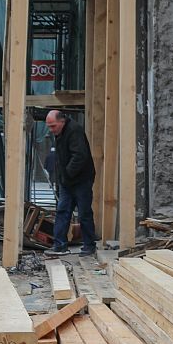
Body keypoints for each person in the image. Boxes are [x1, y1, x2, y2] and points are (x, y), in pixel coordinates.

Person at [44, 110, 97, 257]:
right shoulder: (60, 133)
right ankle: (59, 245)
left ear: (62, 121)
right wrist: (63, 177)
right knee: (62, 211)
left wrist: (66, 174)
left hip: (81, 180)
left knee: (84, 213)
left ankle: (89, 245)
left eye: (53, 126)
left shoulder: (74, 131)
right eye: (49, 126)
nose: (51, 130)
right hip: (68, 181)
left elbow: (79, 156)